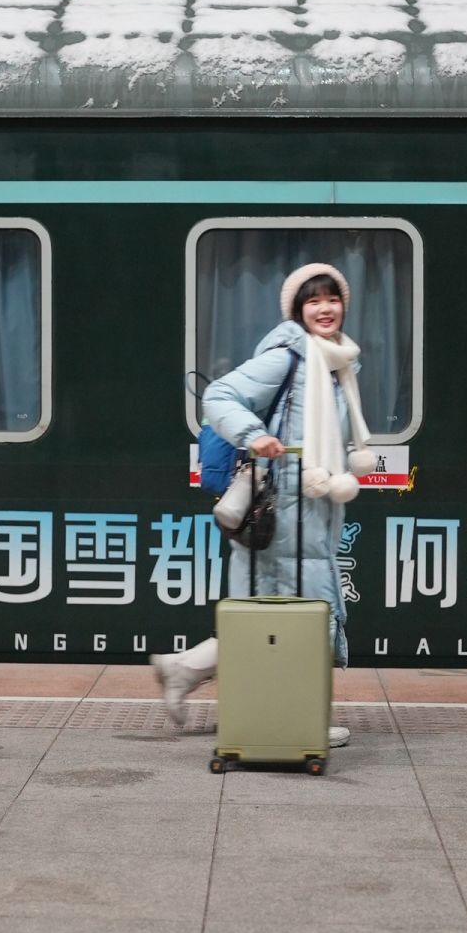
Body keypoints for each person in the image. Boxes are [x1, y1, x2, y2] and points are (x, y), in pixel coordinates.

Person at [151, 262, 375, 747]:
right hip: (283, 516)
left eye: (332, 299)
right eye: (313, 300)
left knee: (279, 616)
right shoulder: (288, 358)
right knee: (300, 617)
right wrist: (254, 435)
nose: (325, 308)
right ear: (297, 310)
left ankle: (185, 670)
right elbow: (219, 396)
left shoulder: (338, 364)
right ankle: (300, 721)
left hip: (313, 513)